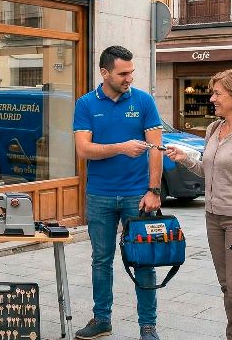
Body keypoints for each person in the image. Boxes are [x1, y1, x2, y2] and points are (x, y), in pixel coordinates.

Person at [166, 69, 232, 340]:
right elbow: (208, 169)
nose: (212, 98)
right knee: (227, 286)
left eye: (218, 93)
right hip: (214, 218)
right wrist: (185, 159)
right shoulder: (215, 128)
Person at [72, 46, 164, 340]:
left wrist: (154, 190)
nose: (129, 78)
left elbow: (156, 151)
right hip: (99, 195)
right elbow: (83, 149)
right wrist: (122, 147)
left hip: (136, 195)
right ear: (105, 73)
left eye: (131, 72)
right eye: (123, 73)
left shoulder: (144, 101)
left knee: (145, 260)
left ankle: (148, 327)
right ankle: (102, 320)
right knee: (101, 260)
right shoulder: (86, 104)